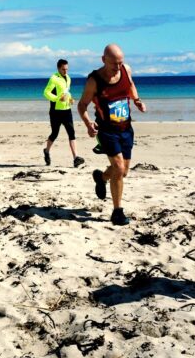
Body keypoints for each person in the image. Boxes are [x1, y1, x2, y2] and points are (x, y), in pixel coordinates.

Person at [77, 44, 147, 226]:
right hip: (106, 130)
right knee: (118, 168)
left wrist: (137, 100)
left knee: (123, 171)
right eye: (114, 64)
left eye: (120, 63)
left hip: (126, 128)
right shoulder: (94, 81)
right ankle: (117, 212)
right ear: (103, 60)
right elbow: (81, 105)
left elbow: (131, 86)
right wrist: (88, 124)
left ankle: (101, 178)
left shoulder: (126, 70)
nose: (118, 67)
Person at [44, 59, 85, 168]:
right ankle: (47, 151)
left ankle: (76, 158)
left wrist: (70, 99)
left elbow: (66, 92)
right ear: (58, 68)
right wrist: (57, 98)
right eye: (63, 69)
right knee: (55, 134)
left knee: (71, 133)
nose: (65, 71)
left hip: (67, 110)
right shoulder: (54, 78)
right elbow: (46, 92)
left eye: (67, 69)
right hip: (55, 112)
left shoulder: (68, 78)